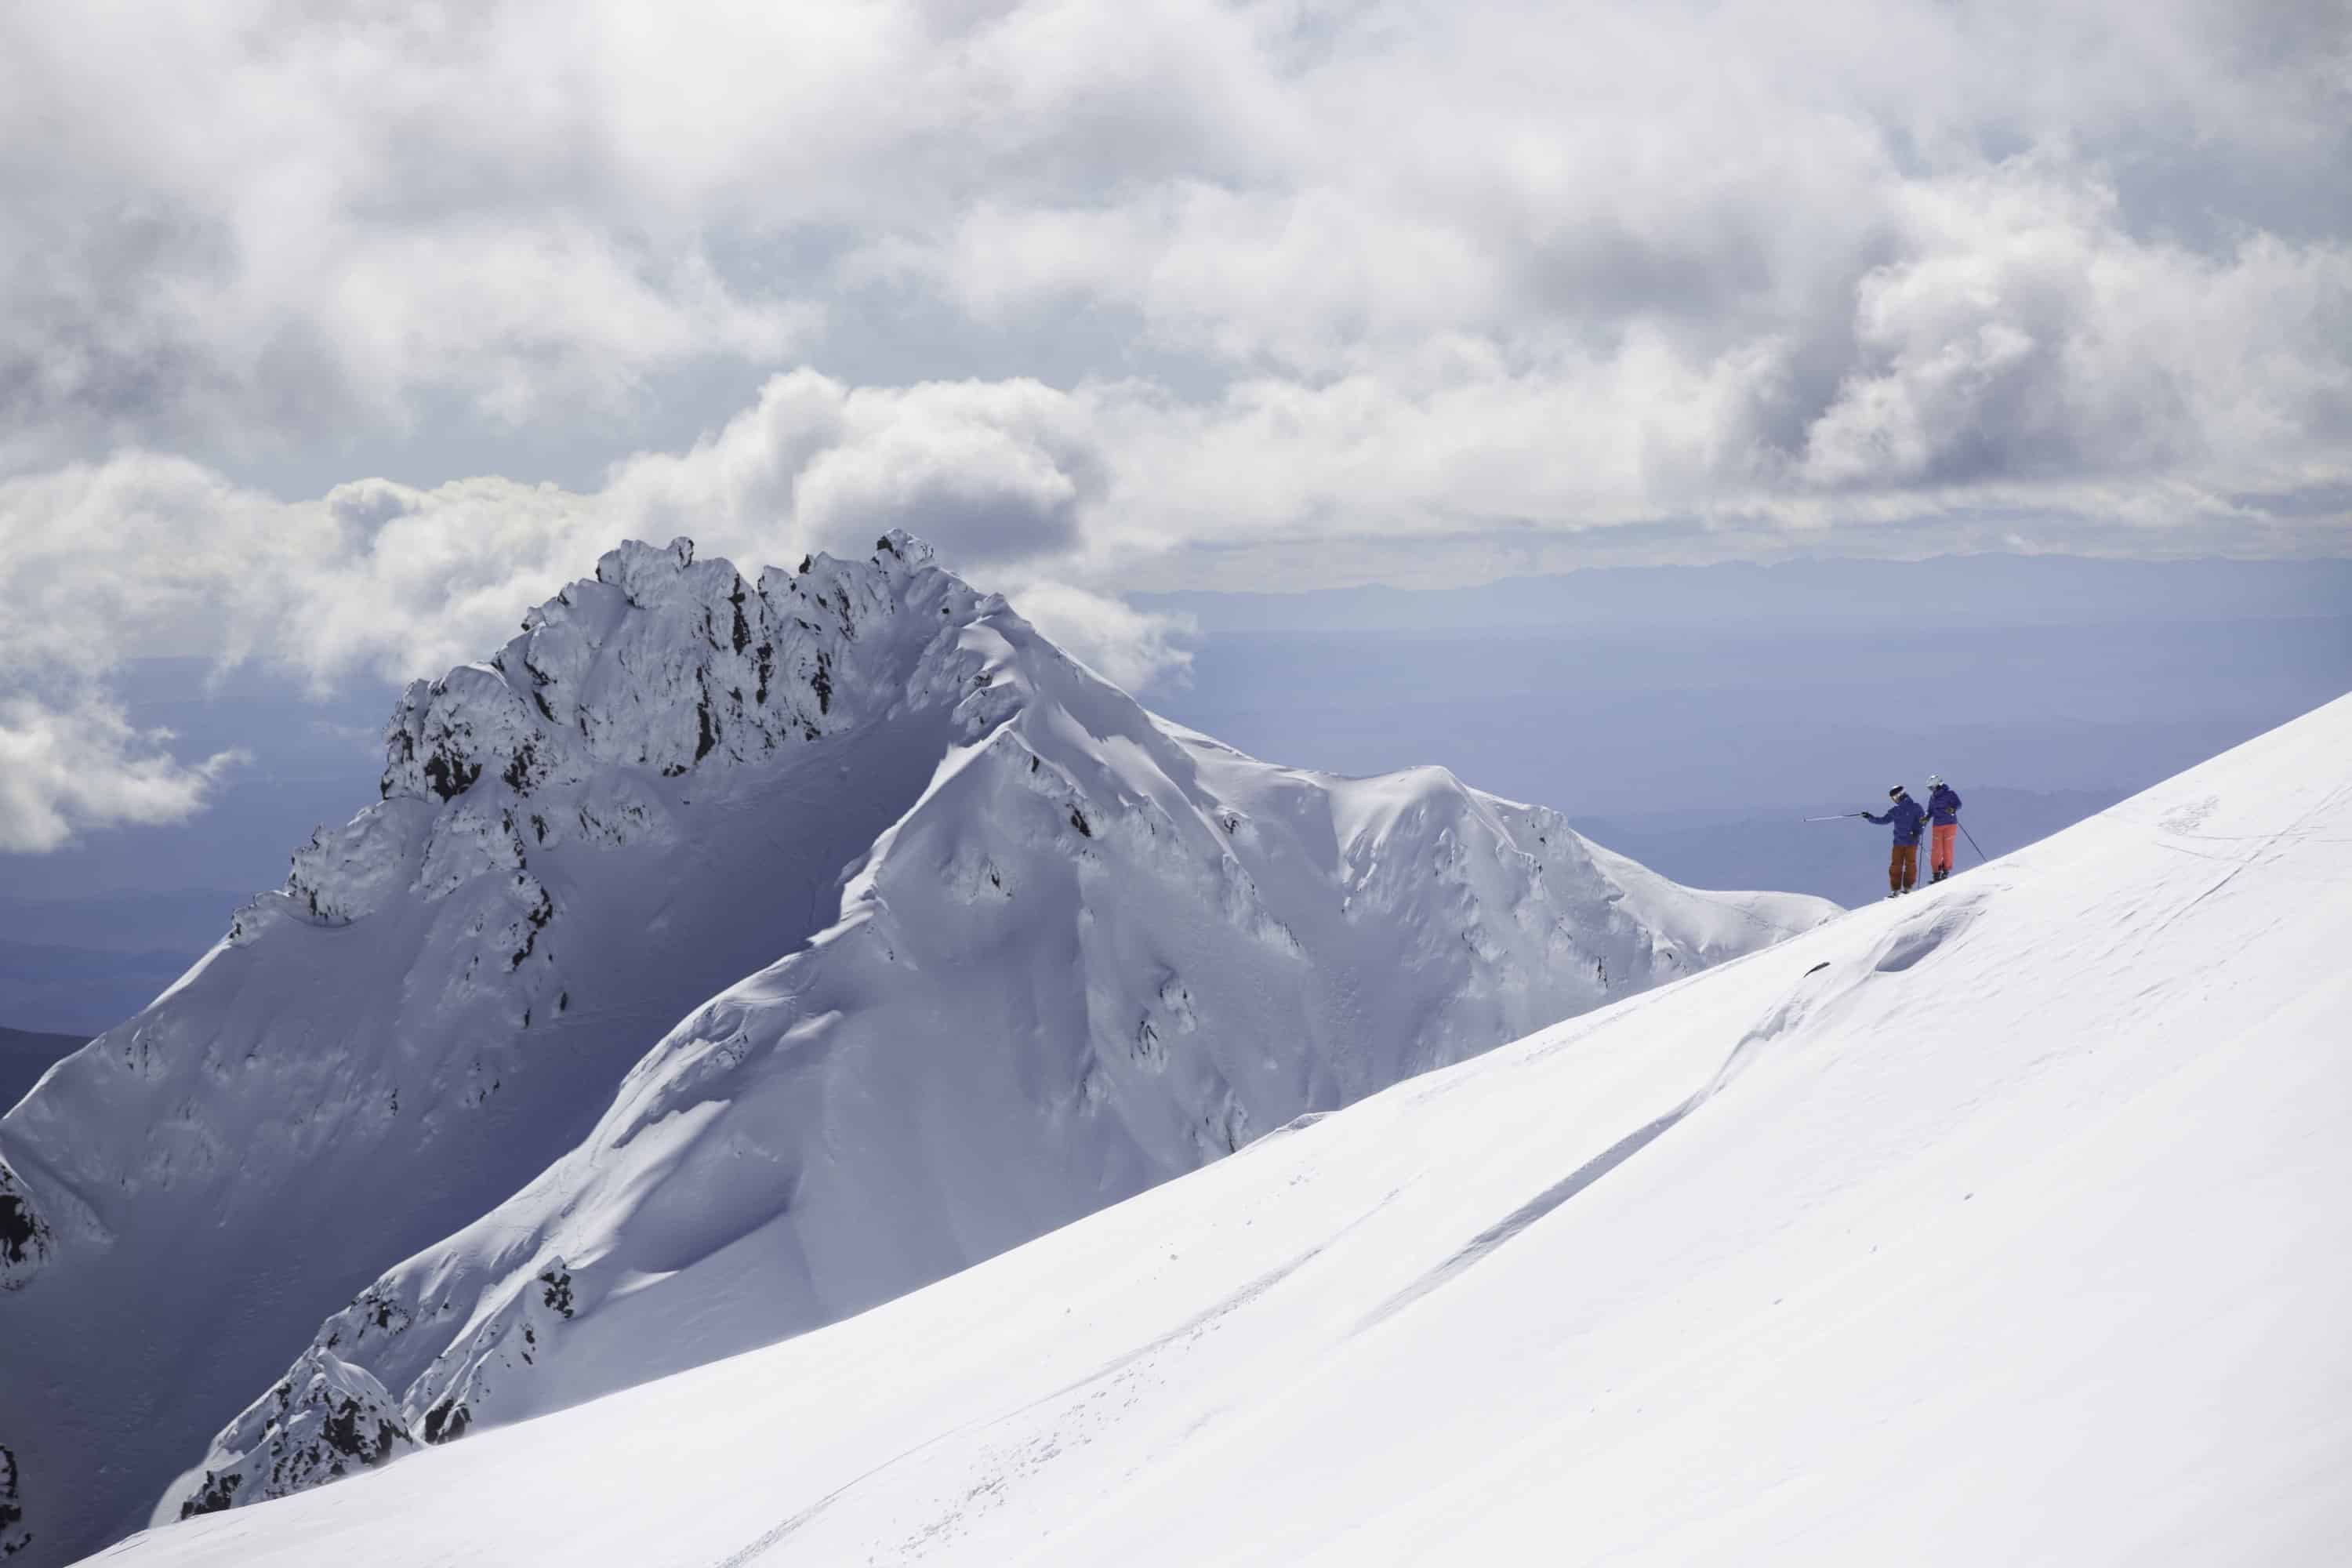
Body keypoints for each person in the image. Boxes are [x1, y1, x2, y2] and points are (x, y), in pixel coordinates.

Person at [1862, 785, 1927, 897]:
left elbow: (1922, 822)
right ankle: (1897, 889)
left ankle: (1907, 888)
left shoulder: (1915, 807)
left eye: (1894, 798)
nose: (1894, 801)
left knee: (1909, 864)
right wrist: (1870, 817)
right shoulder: (1896, 810)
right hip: (1899, 842)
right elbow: (1883, 820)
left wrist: (1917, 832)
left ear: (1899, 796)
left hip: (1911, 841)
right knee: (1897, 865)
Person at [1925, 772, 1964, 883]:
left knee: (1948, 848)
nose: (1931, 790)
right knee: (1936, 850)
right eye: (1930, 788)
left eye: (1932, 787)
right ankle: (1936, 874)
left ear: (1937, 785)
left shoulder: (1949, 794)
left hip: (1950, 824)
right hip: (1937, 825)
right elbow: (1930, 810)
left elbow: (1959, 804)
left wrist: (1953, 809)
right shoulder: (1932, 797)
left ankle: (1946, 871)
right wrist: (1926, 817)